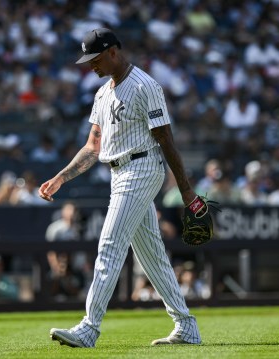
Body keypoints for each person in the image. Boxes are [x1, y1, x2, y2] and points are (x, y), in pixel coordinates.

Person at [39, 28, 202, 347]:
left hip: (142, 167)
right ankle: (186, 325)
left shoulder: (145, 85)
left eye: (95, 59)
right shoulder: (102, 94)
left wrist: (185, 189)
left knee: (110, 244)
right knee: (152, 254)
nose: (91, 66)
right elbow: (92, 147)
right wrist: (61, 177)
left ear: (113, 51)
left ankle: (89, 327)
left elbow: (166, 139)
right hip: (119, 172)